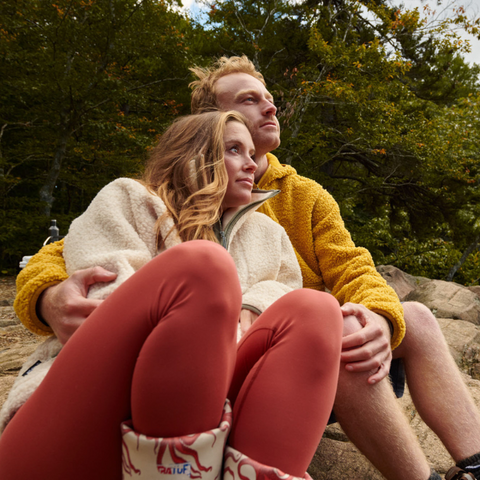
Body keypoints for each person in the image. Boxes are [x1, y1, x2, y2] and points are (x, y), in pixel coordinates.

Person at [12, 56, 480, 480]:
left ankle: (473, 465)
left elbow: (355, 268)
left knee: (384, 317)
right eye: (249, 101)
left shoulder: (300, 201)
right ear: (206, 122)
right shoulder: (140, 197)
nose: (271, 108)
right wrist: (47, 293)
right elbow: (72, 251)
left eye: (271, 98)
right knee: (209, 268)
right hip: (173, 364)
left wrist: (378, 313)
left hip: (286, 361)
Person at [0, 111, 344, 480]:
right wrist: (208, 317)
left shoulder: (270, 235)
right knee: (205, 267)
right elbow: (104, 295)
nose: (250, 163)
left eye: (250, 152)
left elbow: (288, 289)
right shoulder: (129, 198)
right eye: (233, 150)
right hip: (87, 417)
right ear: (195, 155)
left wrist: (252, 305)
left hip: (218, 425)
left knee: (318, 309)